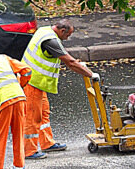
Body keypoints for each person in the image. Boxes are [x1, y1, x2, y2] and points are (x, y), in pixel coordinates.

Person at [20, 19, 94, 159]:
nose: (68, 38)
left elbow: (66, 57)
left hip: (37, 83)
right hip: (32, 83)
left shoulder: (44, 31)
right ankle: (29, 150)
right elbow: (70, 63)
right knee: (33, 117)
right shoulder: (50, 41)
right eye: (68, 35)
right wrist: (91, 74)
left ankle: (47, 143)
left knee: (44, 113)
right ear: (62, 31)